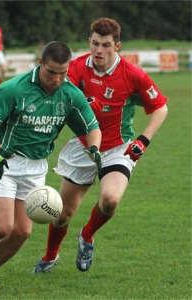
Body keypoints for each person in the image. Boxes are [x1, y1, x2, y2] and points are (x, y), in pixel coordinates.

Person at [0, 41, 102, 290]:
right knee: (3, 226)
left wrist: (94, 148)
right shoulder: (15, 88)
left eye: (63, 72)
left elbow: (92, 127)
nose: (57, 79)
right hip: (6, 162)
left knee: (22, 232)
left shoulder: (69, 94)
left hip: (36, 168)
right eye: (51, 72)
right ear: (41, 63)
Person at [33, 17, 168, 274]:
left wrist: (143, 140)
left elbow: (161, 107)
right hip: (84, 147)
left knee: (110, 199)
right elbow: (60, 97)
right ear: (89, 42)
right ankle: (50, 256)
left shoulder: (133, 74)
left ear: (117, 46)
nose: (99, 51)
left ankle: (87, 236)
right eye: (95, 44)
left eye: (106, 45)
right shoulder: (75, 67)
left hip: (118, 148)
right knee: (61, 215)